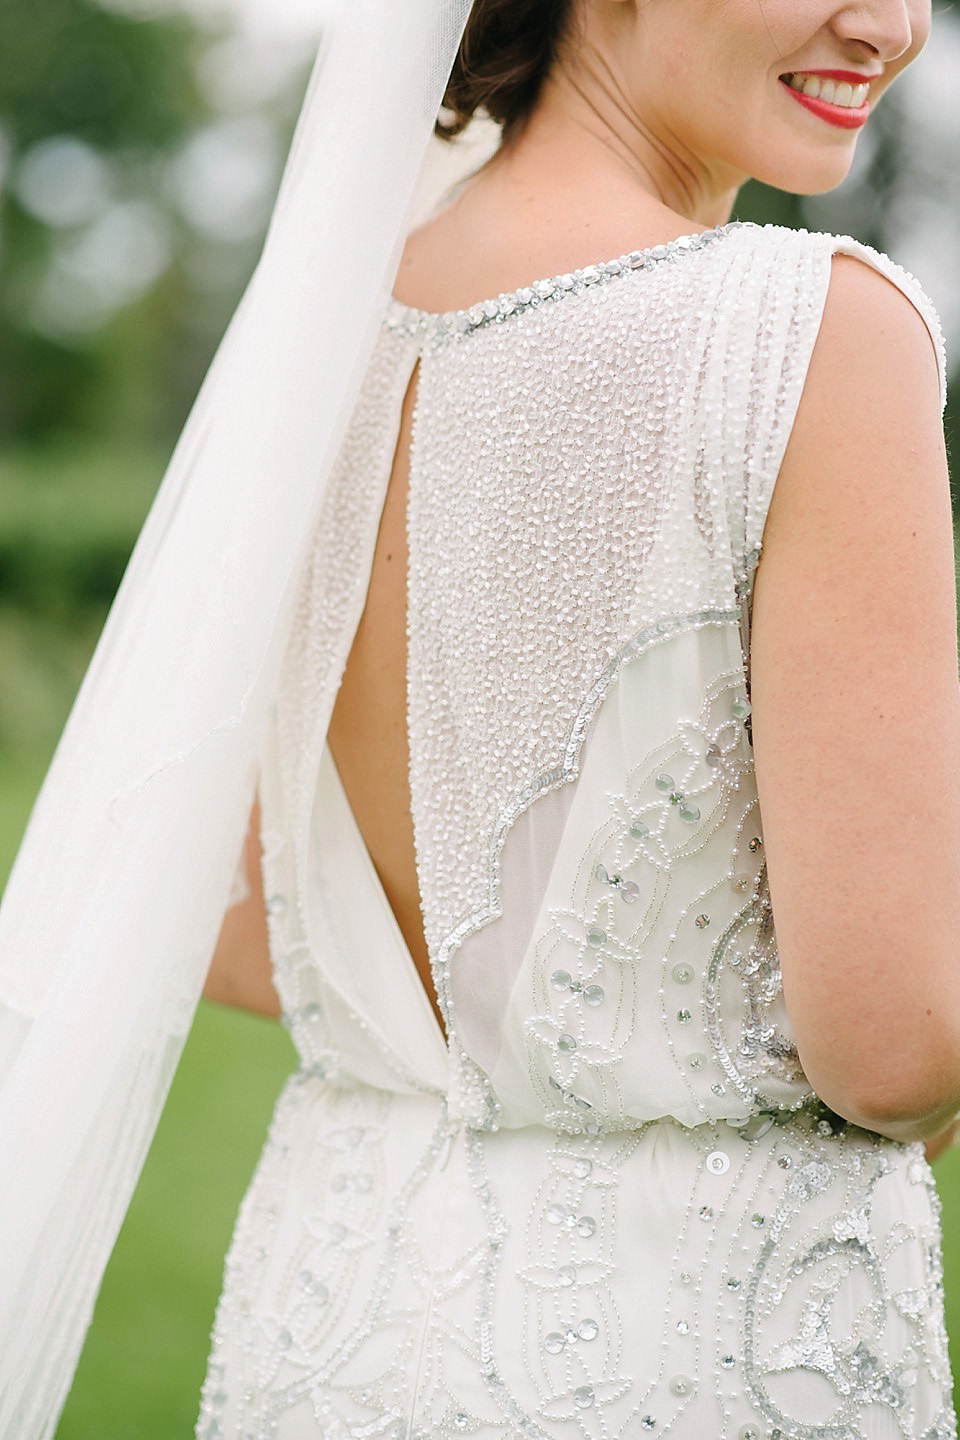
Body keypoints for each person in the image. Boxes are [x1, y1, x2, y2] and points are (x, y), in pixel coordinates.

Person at [191, 0, 960, 1436]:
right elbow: (894, 1047)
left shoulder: (315, 328)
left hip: (321, 1319)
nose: (894, 24)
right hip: (686, 1355)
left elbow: (241, 943)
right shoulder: (813, 337)